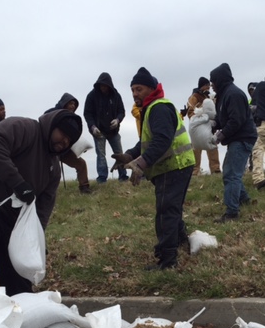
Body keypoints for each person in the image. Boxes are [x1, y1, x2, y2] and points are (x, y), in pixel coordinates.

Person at [0, 109, 82, 307]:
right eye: (62, 134)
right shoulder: (25, 128)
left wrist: (36, 239)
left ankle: (21, 311)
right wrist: (18, 183)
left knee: (17, 264)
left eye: (69, 140)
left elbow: (43, 207)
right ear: (51, 127)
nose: (64, 141)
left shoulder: (53, 168)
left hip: (10, 212)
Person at [111, 67, 195, 270]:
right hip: (177, 165)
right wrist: (129, 156)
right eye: (132, 90)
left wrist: (141, 163)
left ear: (151, 88)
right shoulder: (153, 108)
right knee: (170, 209)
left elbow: (162, 140)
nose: (134, 94)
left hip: (173, 166)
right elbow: (145, 142)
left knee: (166, 212)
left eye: (138, 89)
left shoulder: (158, 108)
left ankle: (168, 261)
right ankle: (182, 242)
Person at [209, 63, 258, 223]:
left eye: (213, 81)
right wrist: (214, 124)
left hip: (242, 138)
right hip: (238, 138)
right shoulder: (224, 95)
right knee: (232, 172)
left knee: (231, 174)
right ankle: (244, 200)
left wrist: (220, 135)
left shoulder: (234, 94)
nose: (211, 85)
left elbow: (236, 120)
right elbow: (224, 118)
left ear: (220, 80)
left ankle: (232, 213)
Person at [83, 72, 127, 183]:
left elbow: (122, 111)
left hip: (113, 131)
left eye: (105, 85)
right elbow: (87, 113)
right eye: (101, 85)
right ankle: (102, 178)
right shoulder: (91, 96)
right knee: (101, 154)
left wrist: (117, 120)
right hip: (99, 131)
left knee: (119, 153)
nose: (103, 87)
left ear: (109, 85)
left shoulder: (116, 95)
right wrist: (92, 127)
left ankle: (123, 176)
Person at [45, 93, 91, 194]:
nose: (73, 106)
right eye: (71, 103)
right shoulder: (51, 113)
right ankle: (44, 191)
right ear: (64, 103)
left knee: (81, 164)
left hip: (65, 150)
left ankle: (84, 188)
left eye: (74, 104)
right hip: (48, 150)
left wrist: (81, 145)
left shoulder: (74, 119)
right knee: (49, 170)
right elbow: (43, 125)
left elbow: (75, 135)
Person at [186, 76, 221, 176]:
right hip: (197, 128)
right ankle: (194, 171)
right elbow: (190, 112)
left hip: (208, 127)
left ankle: (215, 169)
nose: (208, 88)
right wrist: (200, 115)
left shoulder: (209, 97)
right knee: (196, 149)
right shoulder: (194, 97)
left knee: (212, 146)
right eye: (207, 86)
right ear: (202, 86)